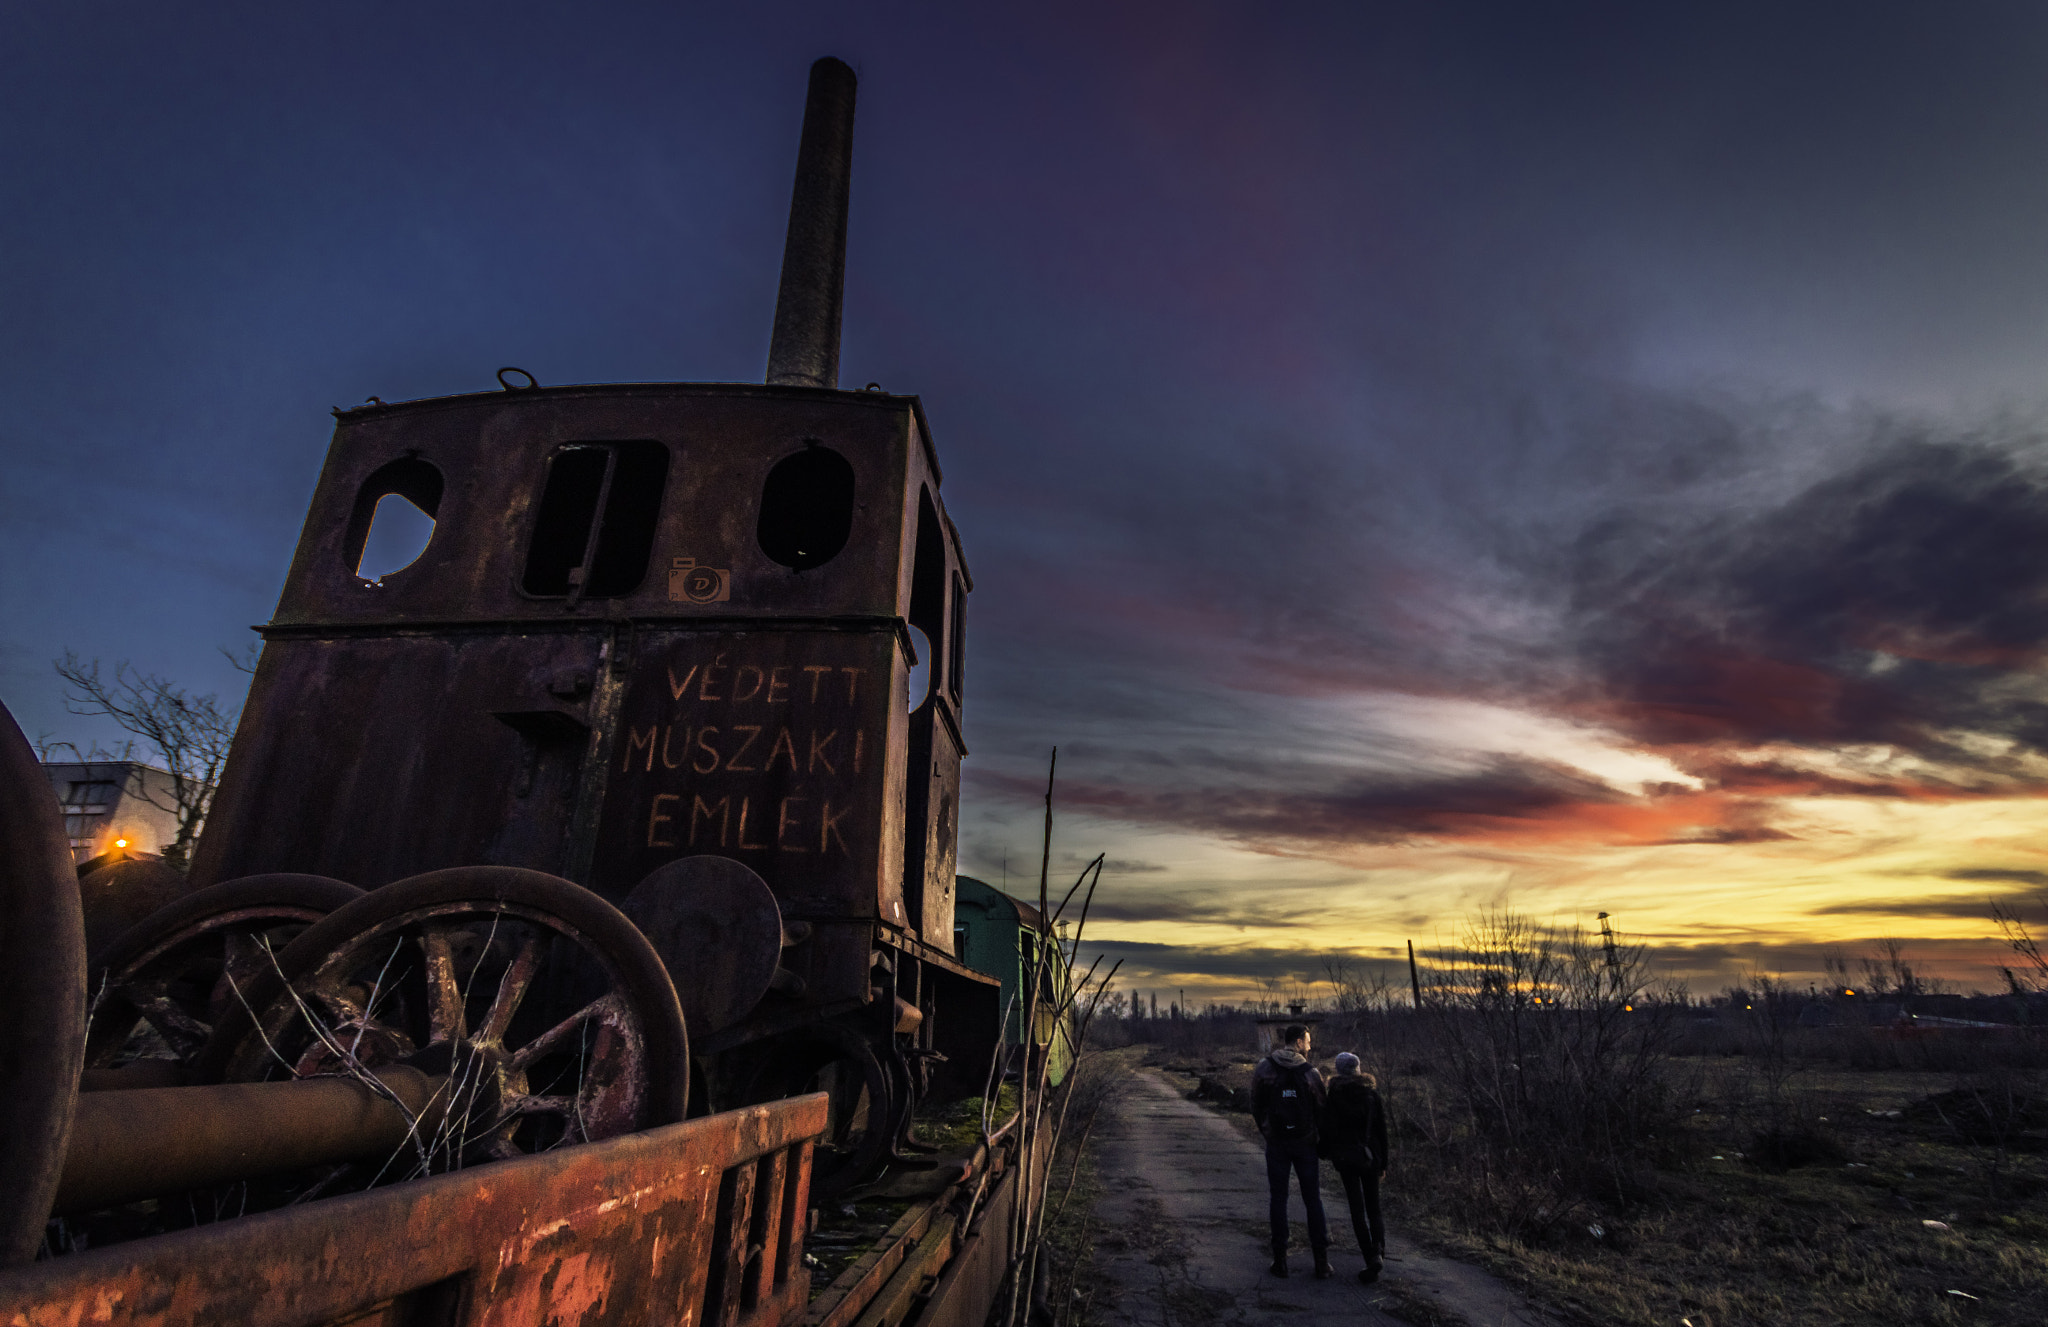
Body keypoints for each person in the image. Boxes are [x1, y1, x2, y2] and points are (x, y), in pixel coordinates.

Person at [1251, 1024, 1331, 1279]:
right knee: (1313, 1200)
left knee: (1278, 1199)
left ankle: (1280, 1260)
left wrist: (1268, 1132)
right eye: (1307, 1042)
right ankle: (1321, 1262)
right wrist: (1317, 1138)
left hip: (1277, 1144)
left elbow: (1255, 1104)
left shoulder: (1265, 1067)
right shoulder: (1310, 1073)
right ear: (1297, 1042)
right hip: (1305, 1144)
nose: (1309, 1046)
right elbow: (1322, 1108)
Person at [1320, 1051, 1389, 1284]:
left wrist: (1323, 1152)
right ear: (1359, 1069)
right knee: (1374, 1209)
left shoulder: (1335, 1095)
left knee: (1357, 1211)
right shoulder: (1371, 1095)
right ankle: (1378, 1253)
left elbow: (1328, 1129)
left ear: (1339, 1070)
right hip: (1370, 1158)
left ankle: (1370, 1257)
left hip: (1346, 1160)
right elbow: (1382, 1132)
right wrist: (1384, 1163)